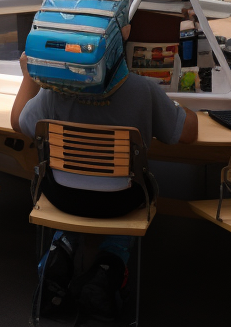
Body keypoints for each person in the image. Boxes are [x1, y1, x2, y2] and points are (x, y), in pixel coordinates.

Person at [11, 52, 198, 320]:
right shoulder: (143, 89)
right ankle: (109, 265)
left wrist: (29, 75)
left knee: (68, 179)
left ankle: (60, 249)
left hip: (64, 198)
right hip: (120, 201)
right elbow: (188, 133)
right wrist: (175, 106)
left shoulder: (55, 90)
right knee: (137, 185)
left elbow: (18, 120)